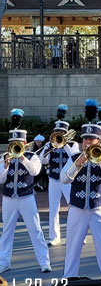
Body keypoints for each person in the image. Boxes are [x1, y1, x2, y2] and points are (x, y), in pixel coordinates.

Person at [61, 100, 101, 278]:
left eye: (91, 139)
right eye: (85, 139)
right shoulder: (75, 157)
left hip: (99, 209)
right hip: (77, 209)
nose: (87, 142)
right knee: (72, 249)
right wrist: (77, 164)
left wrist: (100, 159)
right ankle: (68, 283)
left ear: (99, 141)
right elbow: (64, 178)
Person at [0, 109, 51, 274]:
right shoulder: (3, 157)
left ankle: (45, 262)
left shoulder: (32, 155)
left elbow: (35, 171)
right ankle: (4, 262)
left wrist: (22, 157)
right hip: (8, 198)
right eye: (13, 142)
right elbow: (0, 180)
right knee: (7, 231)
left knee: (35, 229)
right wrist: (5, 167)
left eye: (19, 142)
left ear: (25, 142)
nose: (16, 145)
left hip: (26, 197)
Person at [40, 104, 80, 246]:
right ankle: (54, 237)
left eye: (62, 132)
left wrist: (65, 144)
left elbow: (75, 157)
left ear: (66, 133)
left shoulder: (73, 144)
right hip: (54, 179)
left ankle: (77, 235)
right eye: (57, 132)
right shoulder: (49, 144)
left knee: (75, 208)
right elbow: (42, 161)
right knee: (53, 209)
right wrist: (48, 148)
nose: (59, 135)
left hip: (68, 180)